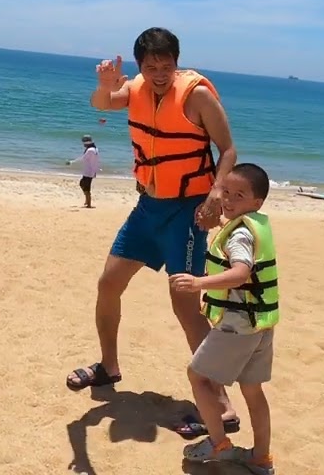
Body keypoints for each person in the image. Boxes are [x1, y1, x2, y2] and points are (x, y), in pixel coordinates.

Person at [65, 27, 241, 434]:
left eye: (166, 65)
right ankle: (108, 367)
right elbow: (101, 103)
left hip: (187, 213)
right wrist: (104, 85)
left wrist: (216, 192)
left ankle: (222, 405)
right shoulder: (137, 88)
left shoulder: (196, 95)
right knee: (109, 283)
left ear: (176, 63)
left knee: (184, 306)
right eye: (151, 66)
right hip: (147, 207)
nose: (159, 73)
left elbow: (228, 148)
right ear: (141, 66)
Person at [170, 162, 278, 474]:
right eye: (226, 192)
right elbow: (245, 272)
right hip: (260, 322)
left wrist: (198, 283)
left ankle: (219, 444)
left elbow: (242, 273)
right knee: (252, 390)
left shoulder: (239, 235)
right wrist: (210, 274)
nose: (228, 200)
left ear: (256, 203)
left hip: (237, 326)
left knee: (198, 376)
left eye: (239, 195)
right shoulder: (255, 225)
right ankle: (261, 457)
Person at [67, 135, 101, 208]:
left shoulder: (90, 150)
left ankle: (88, 203)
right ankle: (87, 201)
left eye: (84, 142)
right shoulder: (94, 149)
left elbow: (83, 158)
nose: (83, 144)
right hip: (90, 171)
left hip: (89, 172)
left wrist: (71, 162)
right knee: (83, 184)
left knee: (85, 186)